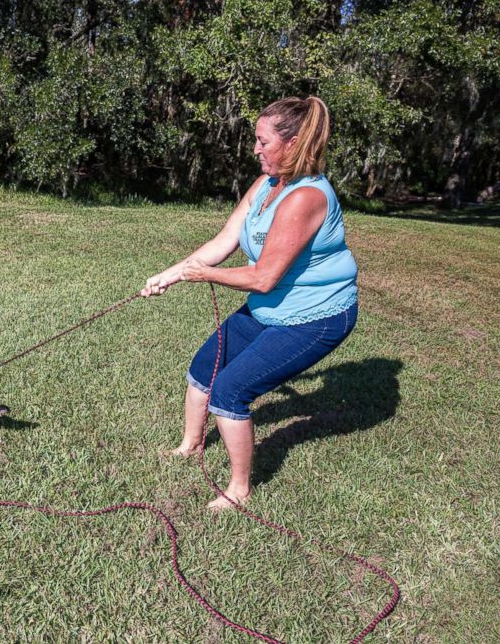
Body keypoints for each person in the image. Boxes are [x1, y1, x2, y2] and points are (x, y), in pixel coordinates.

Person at [140, 96, 359, 511]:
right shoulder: (266, 184)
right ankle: (189, 446)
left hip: (317, 317)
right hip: (272, 307)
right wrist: (172, 273)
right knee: (203, 370)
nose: (255, 150)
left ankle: (239, 489)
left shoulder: (305, 198)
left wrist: (201, 275)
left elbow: (262, 278)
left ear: (292, 144)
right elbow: (224, 242)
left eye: (263, 142)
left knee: (230, 390)